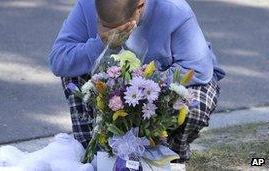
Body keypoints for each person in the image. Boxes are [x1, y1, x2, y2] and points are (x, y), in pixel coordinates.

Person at [49, 0, 225, 163]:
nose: (110, 34)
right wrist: (103, 44)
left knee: (197, 99)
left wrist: (143, 83)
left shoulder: (173, 9)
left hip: (158, 86)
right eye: (103, 26)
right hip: (112, 86)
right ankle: (95, 154)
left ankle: (171, 155)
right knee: (73, 75)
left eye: (120, 29)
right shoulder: (86, 5)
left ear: (139, 6)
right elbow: (59, 59)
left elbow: (199, 69)